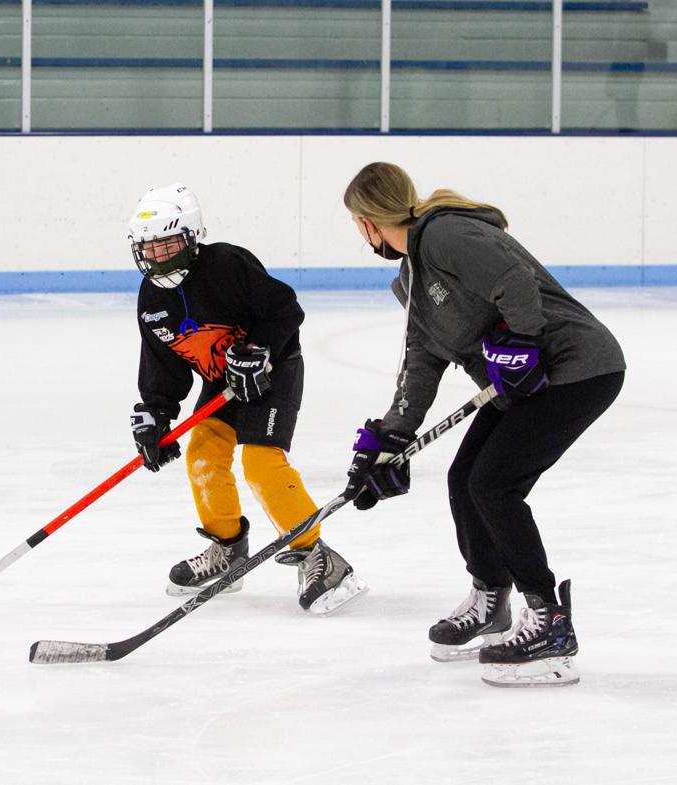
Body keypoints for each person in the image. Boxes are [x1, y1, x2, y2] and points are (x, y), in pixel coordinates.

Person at [340, 162, 625, 687]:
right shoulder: (411, 282)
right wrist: (390, 441)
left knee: (493, 485)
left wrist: (524, 342)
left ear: (366, 224)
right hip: (521, 386)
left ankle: (549, 622)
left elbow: (512, 279)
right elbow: (420, 367)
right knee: (463, 481)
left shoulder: (444, 233)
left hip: (578, 368)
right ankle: (490, 598)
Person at [126, 183, 366, 615]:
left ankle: (319, 556)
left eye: (167, 245)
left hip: (273, 372)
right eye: (149, 248)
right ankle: (228, 547)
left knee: (260, 463)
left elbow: (285, 309)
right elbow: (164, 365)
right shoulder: (151, 300)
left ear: (191, 236)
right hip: (223, 383)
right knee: (202, 454)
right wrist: (156, 412)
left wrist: (259, 350)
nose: (158, 256)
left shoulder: (227, 264)